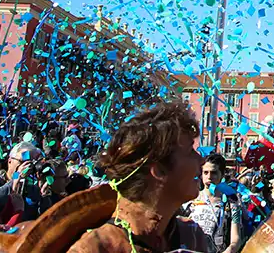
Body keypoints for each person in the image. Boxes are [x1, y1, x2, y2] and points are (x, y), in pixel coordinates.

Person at [67, 101, 209, 253]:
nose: (201, 160)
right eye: (189, 151)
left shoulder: (192, 236)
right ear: (159, 171)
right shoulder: (94, 249)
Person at [183, 153, 243, 253]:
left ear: (222, 175)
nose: (209, 177)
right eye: (205, 173)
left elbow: (236, 240)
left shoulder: (231, 203)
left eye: (214, 173)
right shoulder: (190, 199)